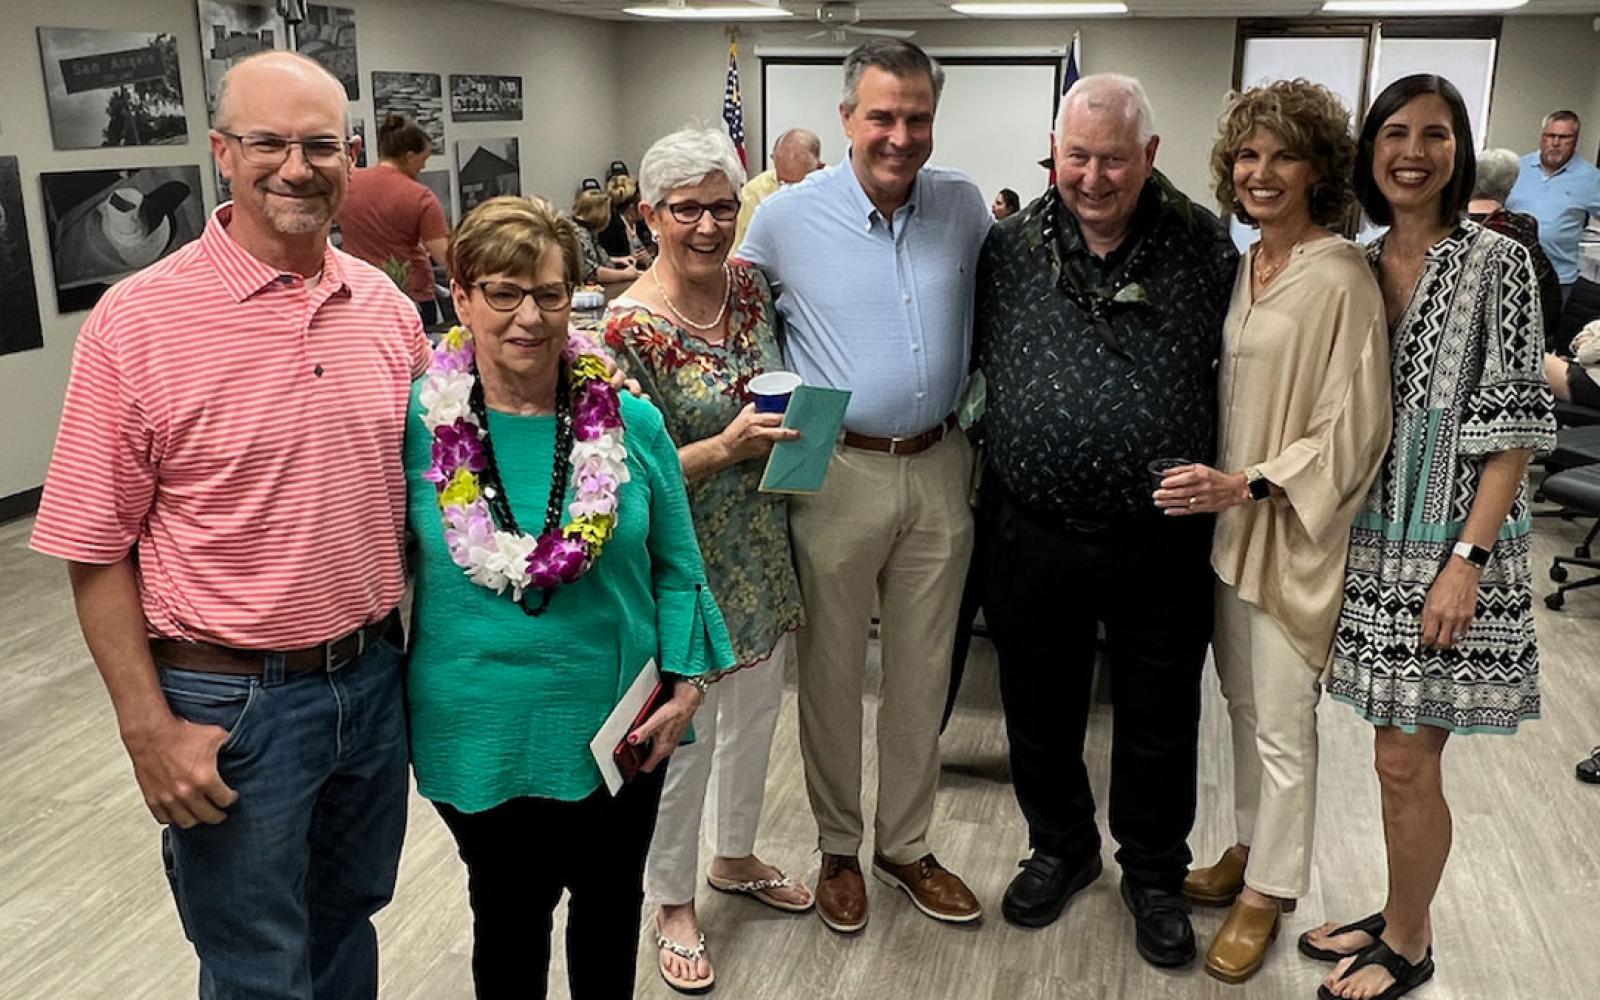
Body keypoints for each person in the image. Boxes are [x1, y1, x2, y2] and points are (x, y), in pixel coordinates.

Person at [30, 51, 427, 999]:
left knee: (345, 928)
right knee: (257, 967)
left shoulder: (384, 307)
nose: (297, 166)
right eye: (268, 143)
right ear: (221, 153)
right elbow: (93, 547)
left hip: (373, 684)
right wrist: (146, 731)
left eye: (320, 145)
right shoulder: (138, 322)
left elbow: (433, 497)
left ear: (350, 152)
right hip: (232, 709)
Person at [403, 194, 738, 999]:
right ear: (461, 293)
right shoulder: (415, 425)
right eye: (504, 293)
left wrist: (688, 687)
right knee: (508, 919)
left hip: (619, 728)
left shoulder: (629, 423)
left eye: (550, 294)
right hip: (477, 726)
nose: (529, 317)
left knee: (610, 910)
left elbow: (679, 566)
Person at [972, 72, 1236, 967]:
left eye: (1112, 158)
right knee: (1036, 705)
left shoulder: (1206, 248)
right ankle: (1061, 848)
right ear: (1054, 152)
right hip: (1031, 526)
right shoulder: (1005, 248)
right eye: (1075, 155)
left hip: (1160, 535)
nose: (1092, 177)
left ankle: (1156, 873)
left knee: (1160, 713)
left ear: (1149, 157)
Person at [1303, 74, 1555, 1000]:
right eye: (1396, 134)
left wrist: (1467, 562)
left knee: (1408, 757)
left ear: (1460, 153)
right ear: (1370, 151)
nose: (1413, 152)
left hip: (1455, 538)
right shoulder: (1360, 262)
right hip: (1374, 537)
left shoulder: (1498, 262)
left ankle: (1409, 944)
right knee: (1390, 753)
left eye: (1436, 136)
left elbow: (1518, 424)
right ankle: (1394, 909)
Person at [738, 38, 992, 933]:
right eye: (881, 115)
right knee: (836, 674)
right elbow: (733, 325)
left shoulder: (964, 207)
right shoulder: (782, 220)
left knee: (924, 673)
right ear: (848, 118)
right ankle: (839, 847)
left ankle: (907, 846)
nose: (900, 134)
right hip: (832, 467)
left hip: (940, 463)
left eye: (917, 117)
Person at [1162, 80, 1391, 985]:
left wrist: (1250, 482)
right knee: (1246, 712)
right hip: (1227, 529)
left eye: (1283, 155)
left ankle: (1268, 893)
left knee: (1285, 725)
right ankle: (1252, 851)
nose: (1261, 173)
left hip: (1290, 528)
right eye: (1248, 156)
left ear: (1318, 169)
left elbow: (1354, 425)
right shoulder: (1245, 261)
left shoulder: (1340, 274)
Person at [604, 125, 812, 995]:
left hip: (761, 550)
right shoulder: (627, 330)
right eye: (685, 208)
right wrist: (725, 448)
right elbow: (616, 474)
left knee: (754, 721)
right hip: (680, 565)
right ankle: (671, 898)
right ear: (650, 214)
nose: (707, 225)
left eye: (722, 206)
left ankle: (732, 855)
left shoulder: (752, 291)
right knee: (683, 739)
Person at [338, 113, 450, 326]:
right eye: (423, 160)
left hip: (360, 295)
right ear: (409, 156)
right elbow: (445, 256)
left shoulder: (347, 184)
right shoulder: (420, 196)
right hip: (411, 296)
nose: (422, 167)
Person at [1469, 147, 1563, 349]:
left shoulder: (1445, 225)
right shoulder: (1521, 228)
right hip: (1510, 342)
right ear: (1510, 186)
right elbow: (1546, 295)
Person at [1506, 109, 1600, 303]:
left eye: (1564, 137)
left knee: (1546, 333)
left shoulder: (1591, 179)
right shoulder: (1516, 168)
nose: (1555, 143)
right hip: (1510, 272)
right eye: (1550, 136)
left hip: (1557, 279)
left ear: (1575, 140)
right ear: (1542, 137)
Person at [733, 127, 824, 247]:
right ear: (773, 159)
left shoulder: (840, 191)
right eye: (782, 183)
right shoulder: (754, 193)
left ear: (819, 167)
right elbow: (738, 251)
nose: (789, 191)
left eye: (798, 184)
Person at [572, 188, 646, 289]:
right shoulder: (578, 234)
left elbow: (594, 259)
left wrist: (617, 260)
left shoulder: (589, 232)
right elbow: (591, 273)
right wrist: (625, 274)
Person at [599, 173, 656, 267]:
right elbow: (608, 259)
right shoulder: (611, 227)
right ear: (631, 207)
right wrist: (631, 258)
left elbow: (652, 245)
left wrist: (650, 253)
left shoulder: (642, 223)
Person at [1544, 317, 1600, 407]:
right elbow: (1584, 334)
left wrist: (1587, 343)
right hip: (1584, 367)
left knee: (1533, 363)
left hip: (1594, 381)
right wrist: (1590, 342)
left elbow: (1586, 355)